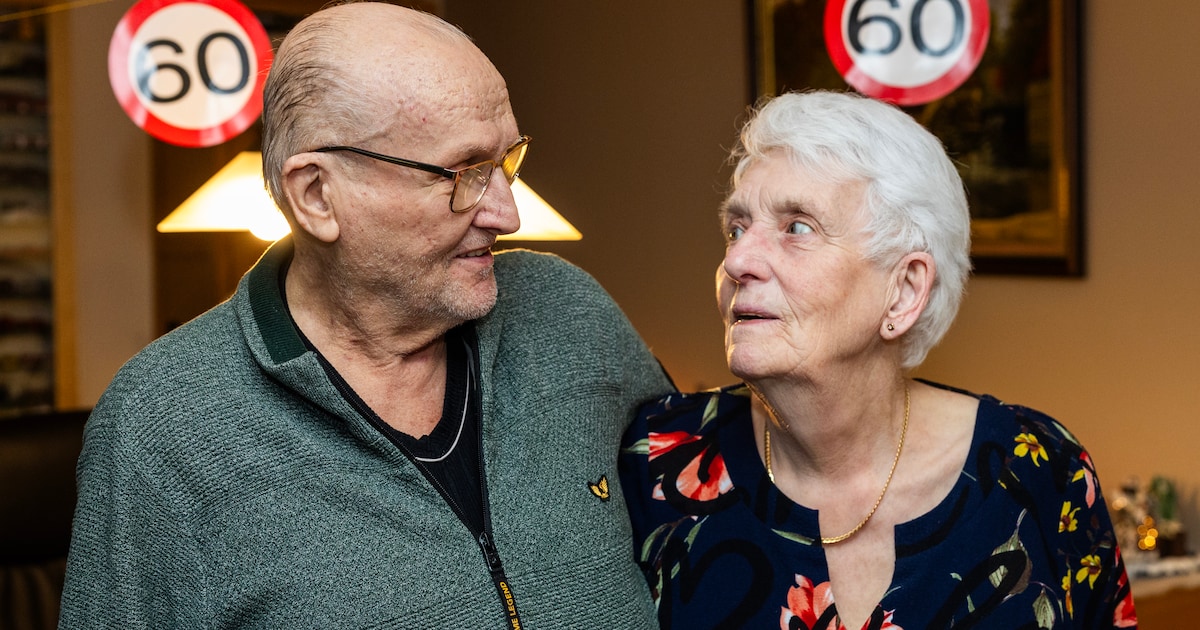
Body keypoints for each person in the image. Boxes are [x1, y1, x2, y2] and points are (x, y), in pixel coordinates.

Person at [60, 3, 672, 627]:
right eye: (464, 173)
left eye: (507, 162)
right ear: (318, 195)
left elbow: (713, 513)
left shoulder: (569, 315)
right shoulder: (163, 424)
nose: (506, 214)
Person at [619, 91, 1137, 629]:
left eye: (798, 227)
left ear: (904, 291)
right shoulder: (655, 462)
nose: (736, 260)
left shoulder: (1039, 470)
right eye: (736, 228)